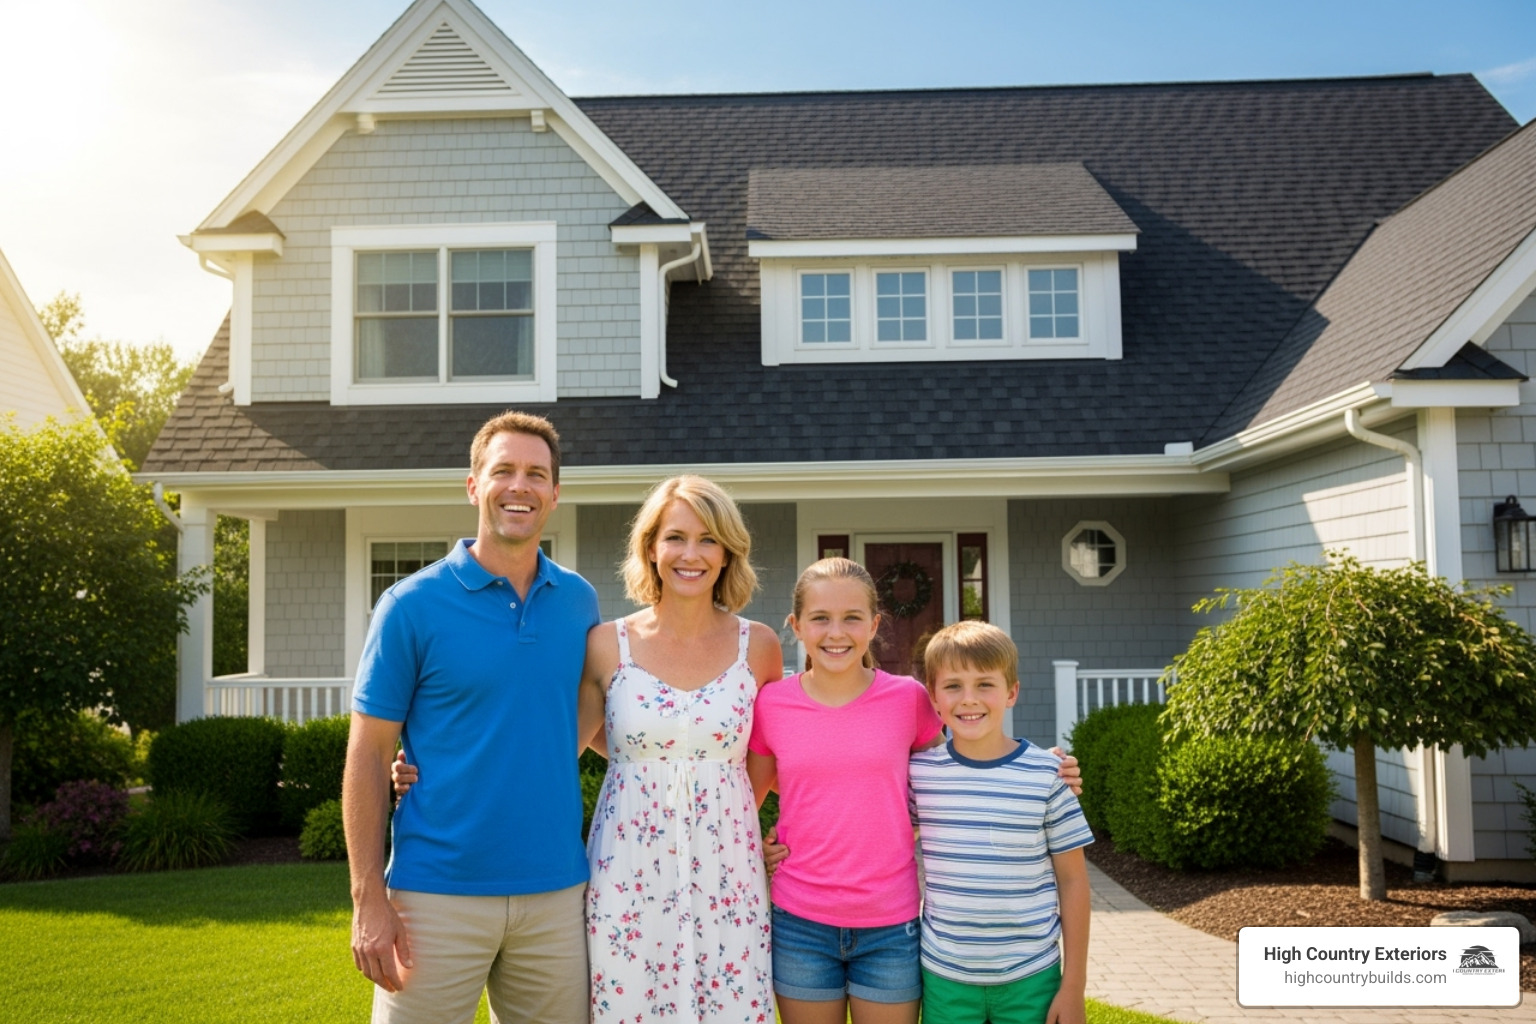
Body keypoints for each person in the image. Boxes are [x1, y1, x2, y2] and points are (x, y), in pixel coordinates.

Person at [342, 410, 600, 1024]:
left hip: (557, 893)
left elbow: (595, 724)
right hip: (434, 896)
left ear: (556, 494)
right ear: (473, 485)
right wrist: (367, 899)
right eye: (503, 470)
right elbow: (369, 753)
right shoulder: (411, 606)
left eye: (537, 474)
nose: (520, 486)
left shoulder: (579, 602)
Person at [576, 475, 784, 1023]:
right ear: (650, 547)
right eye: (675, 537)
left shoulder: (758, 646)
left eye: (708, 539)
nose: (690, 554)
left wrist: (728, 818)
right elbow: (567, 745)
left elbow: (764, 760)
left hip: (730, 869)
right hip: (627, 866)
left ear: (726, 553)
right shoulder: (605, 645)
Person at [746, 557, 941, 1024]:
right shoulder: (771, 704)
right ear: (796, 626)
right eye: (820, 618)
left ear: (874, 625)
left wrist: (1037, 766)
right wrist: (760, 847)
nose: (837, 632)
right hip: (800, 923)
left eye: (852, 617)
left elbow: (950, 779)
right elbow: (743, 800)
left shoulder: (908, 698)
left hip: (891, 923)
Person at [909, 620, 1092, 1024]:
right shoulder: (920, 775)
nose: (968, 699)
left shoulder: (1049, 775)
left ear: (1011, 693)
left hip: (1032, 975)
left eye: (985, 684)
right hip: (945, 976)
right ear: (934, 700)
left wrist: (1074, 985)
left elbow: (1074, 880)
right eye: (953, 685)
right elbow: (873, 827)